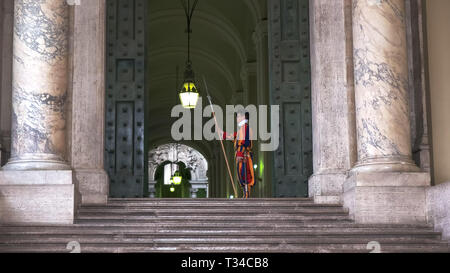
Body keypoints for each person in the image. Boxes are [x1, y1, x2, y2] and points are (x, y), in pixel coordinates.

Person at [218, 110, 255, 199]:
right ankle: (245, 193)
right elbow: (233, 137)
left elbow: (245, 143)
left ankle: (247, 194)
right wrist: (221, 132)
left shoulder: (245, 128)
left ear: (243, 117)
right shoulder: (241, 129)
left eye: (238, 117)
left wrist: (240, 153)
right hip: (241, 155)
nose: (237, 119)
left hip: (244, 155)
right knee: (241, 174)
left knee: (245, 173)